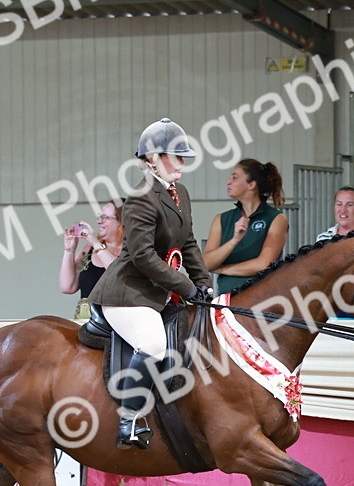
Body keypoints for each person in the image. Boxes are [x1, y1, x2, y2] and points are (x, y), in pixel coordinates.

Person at [88, 118, 213, 450]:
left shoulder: (179, 194)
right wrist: (186, 287)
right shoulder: (141, 197)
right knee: (155, 345)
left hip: (157, 291)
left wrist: (204, 284)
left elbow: (187, 244)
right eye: (178, 158)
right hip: (127, 293)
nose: (183, 166)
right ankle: (128, 418)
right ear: (153, 159)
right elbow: (142, 256)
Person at [203, 159, 289, 296]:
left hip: (262, 301)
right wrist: (234, 241)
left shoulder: (276, 219)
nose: (228, 181)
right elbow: (206, 263)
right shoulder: (221, 219)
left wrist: (223, 269)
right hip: (227, 301)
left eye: (235, 177)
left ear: (251, 185)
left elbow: (264, 264)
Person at [60, 201, 124, 320]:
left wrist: (95, 242)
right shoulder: (88, 250)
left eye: (105, 218)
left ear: (121, 222)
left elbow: (117, 274)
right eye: (100, 217)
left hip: (115, 323)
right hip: (85, 323)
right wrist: (69, 250)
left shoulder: (130, 251)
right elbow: (67, 286)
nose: (99, 221)